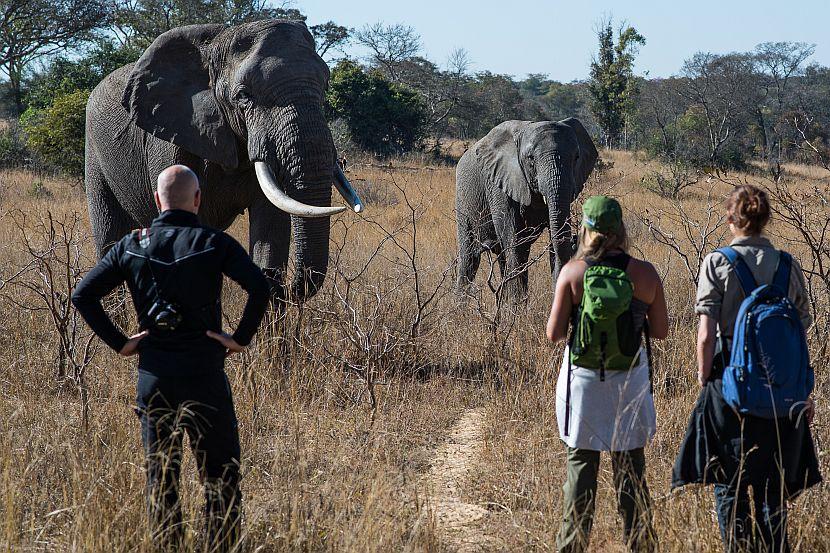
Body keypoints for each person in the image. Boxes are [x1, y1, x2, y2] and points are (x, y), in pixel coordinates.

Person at [72, 165, 270, 551]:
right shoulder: (215, 242)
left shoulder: (133, 244)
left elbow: (83, 295)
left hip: (154, 377)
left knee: (161, 477)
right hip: (205, 375)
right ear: (198, 200)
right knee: (220, 475)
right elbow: (259, 288)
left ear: (157, 200)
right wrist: (238, 339)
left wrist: (122, 343)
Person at [672, 184, 821, 553]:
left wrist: (706, 378)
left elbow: (706, 335)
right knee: (773, 492)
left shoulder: (717, 263)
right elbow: (800, 335)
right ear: (766, 219)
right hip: (782, 394)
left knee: (730, 484)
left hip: (730, 387)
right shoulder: (787, 265)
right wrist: (803, 393)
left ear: (730, 219)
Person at [546, 196, 669, 553]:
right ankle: (642, 547)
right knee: (631, 474)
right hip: (628, 382)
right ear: (620, 230)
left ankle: (571, 547)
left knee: (580, 473)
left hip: (582, 384)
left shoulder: (572, 272)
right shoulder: (645, 273)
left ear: (586, 228)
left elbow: (554, 334)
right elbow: (660, 331)